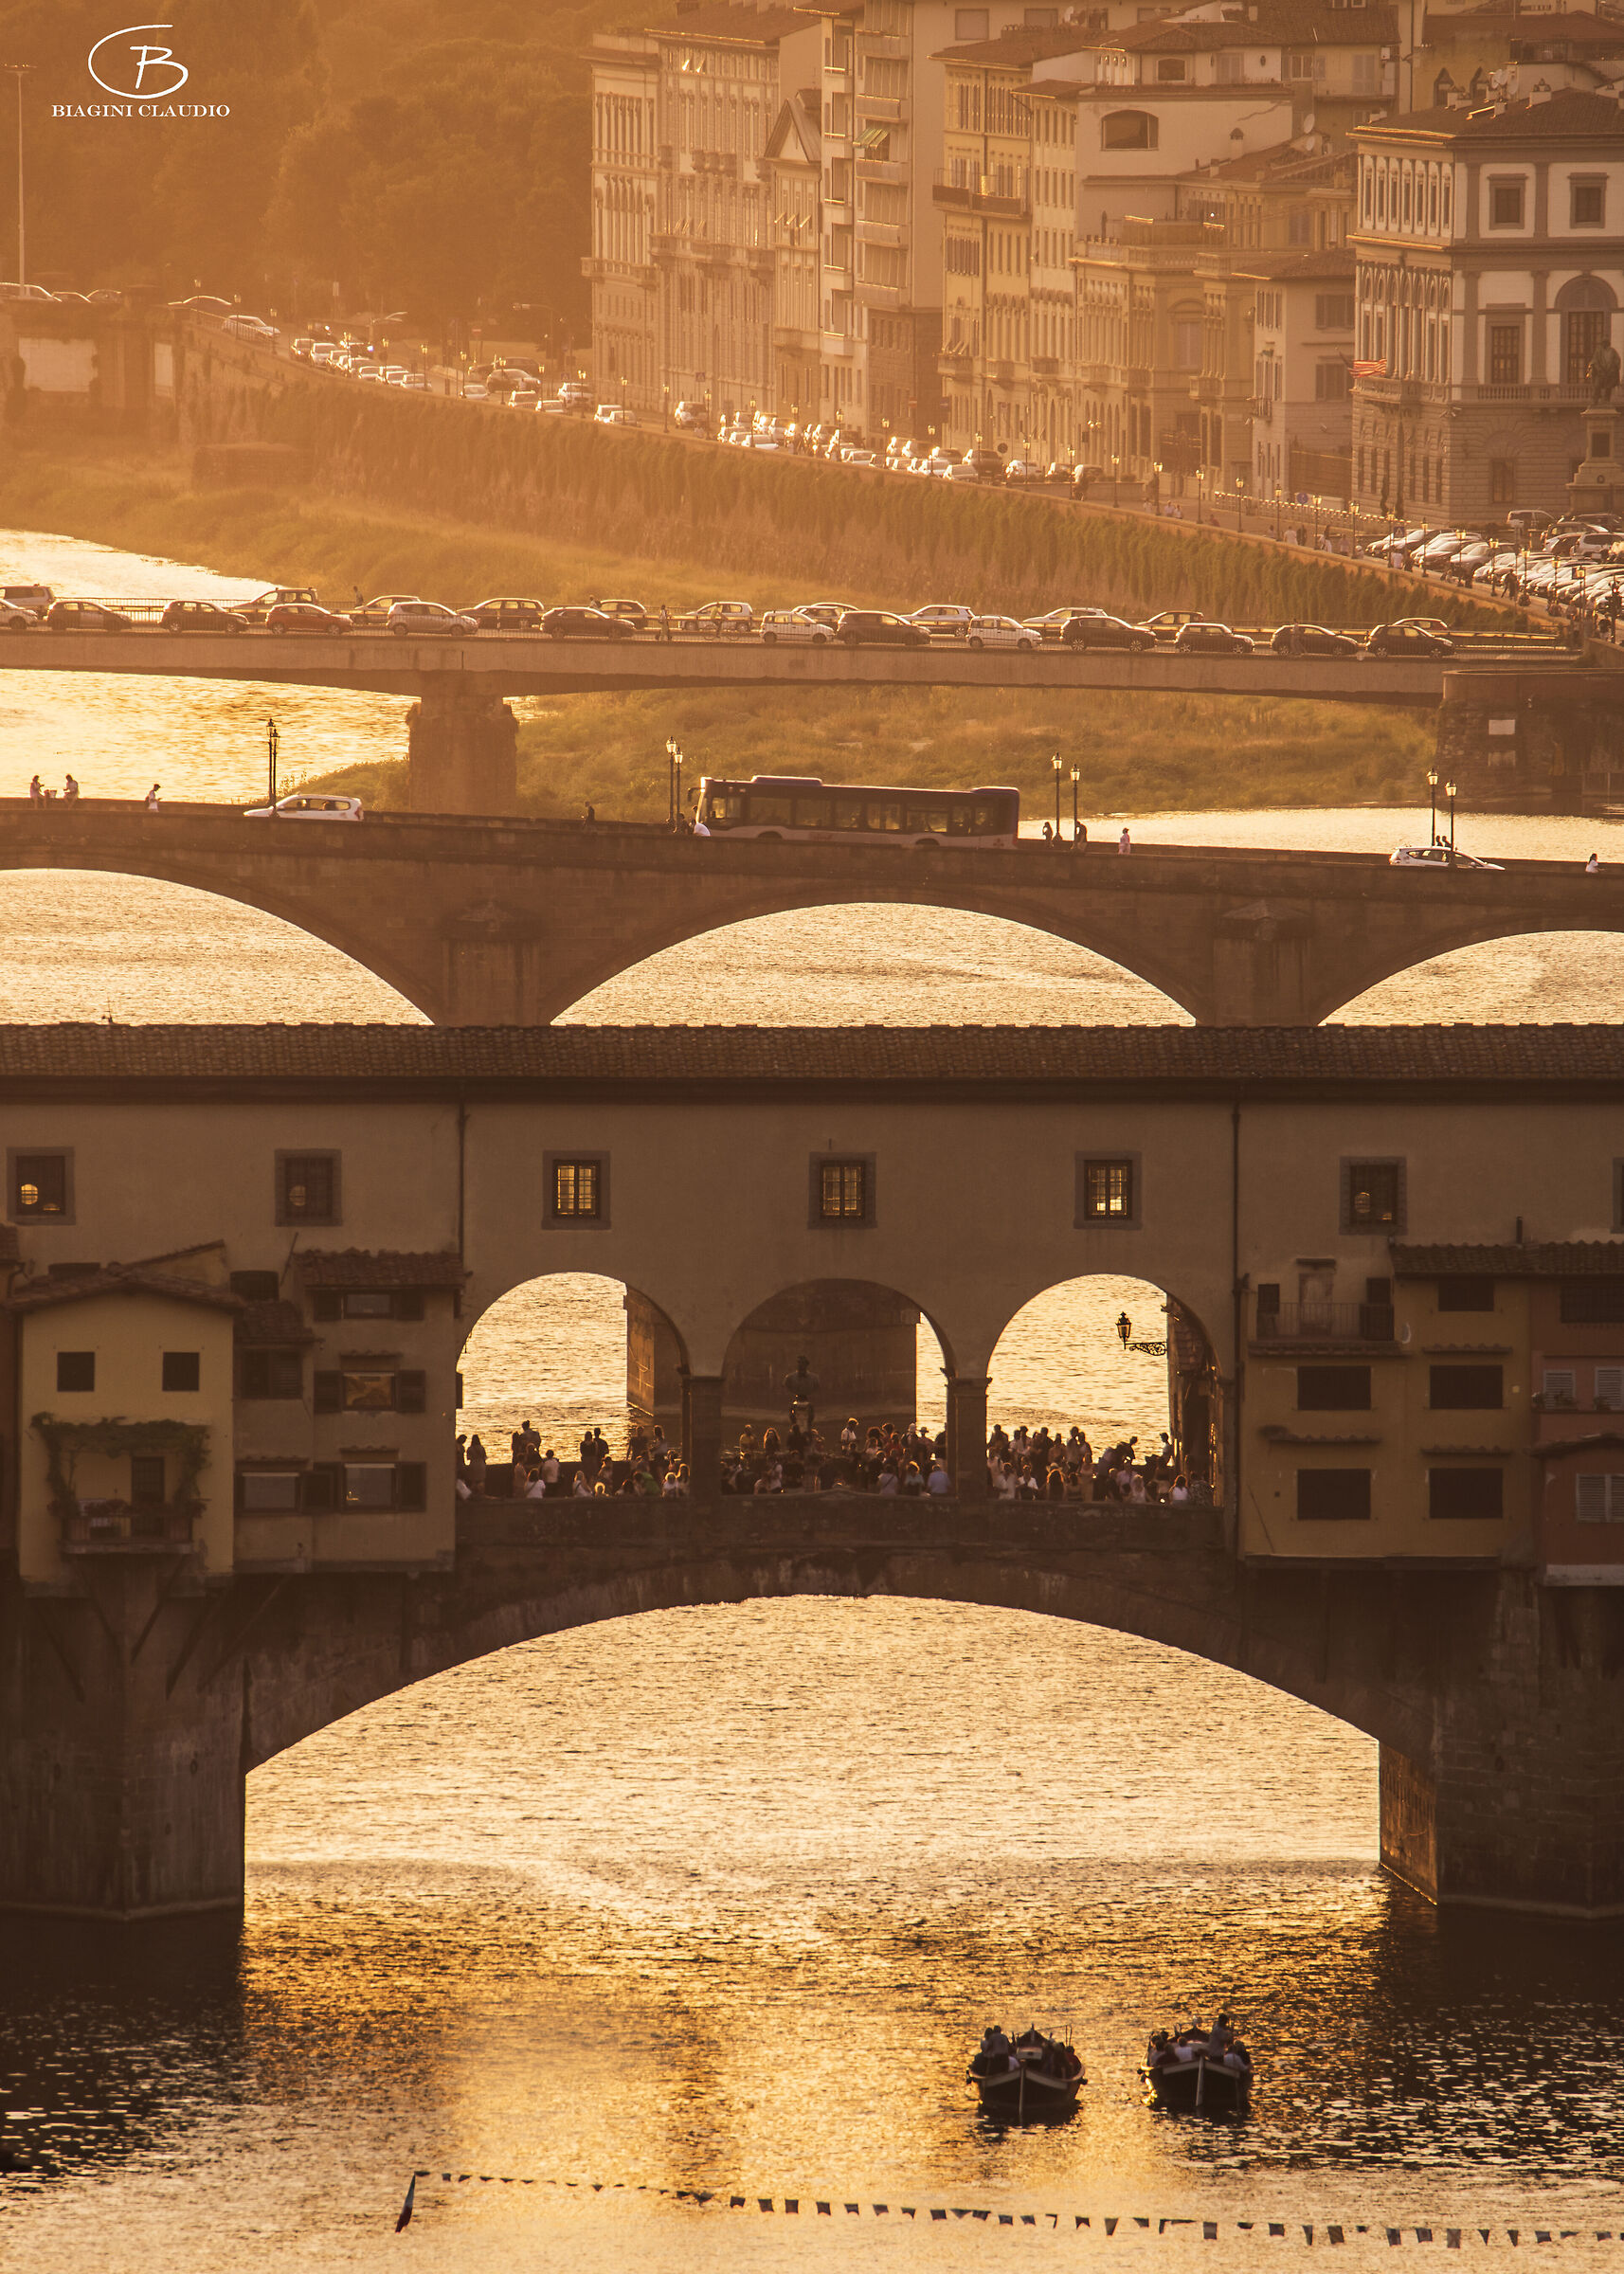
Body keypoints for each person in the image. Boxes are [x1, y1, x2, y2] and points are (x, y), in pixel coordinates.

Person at [785, 1355, 820, 1435]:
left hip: (806, 1402)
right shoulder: (789, 1378)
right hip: (797, 1403)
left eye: (802, 1363)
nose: (800, 1365)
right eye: (799, 1363)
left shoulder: (814, 1378)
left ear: (806, 1365)